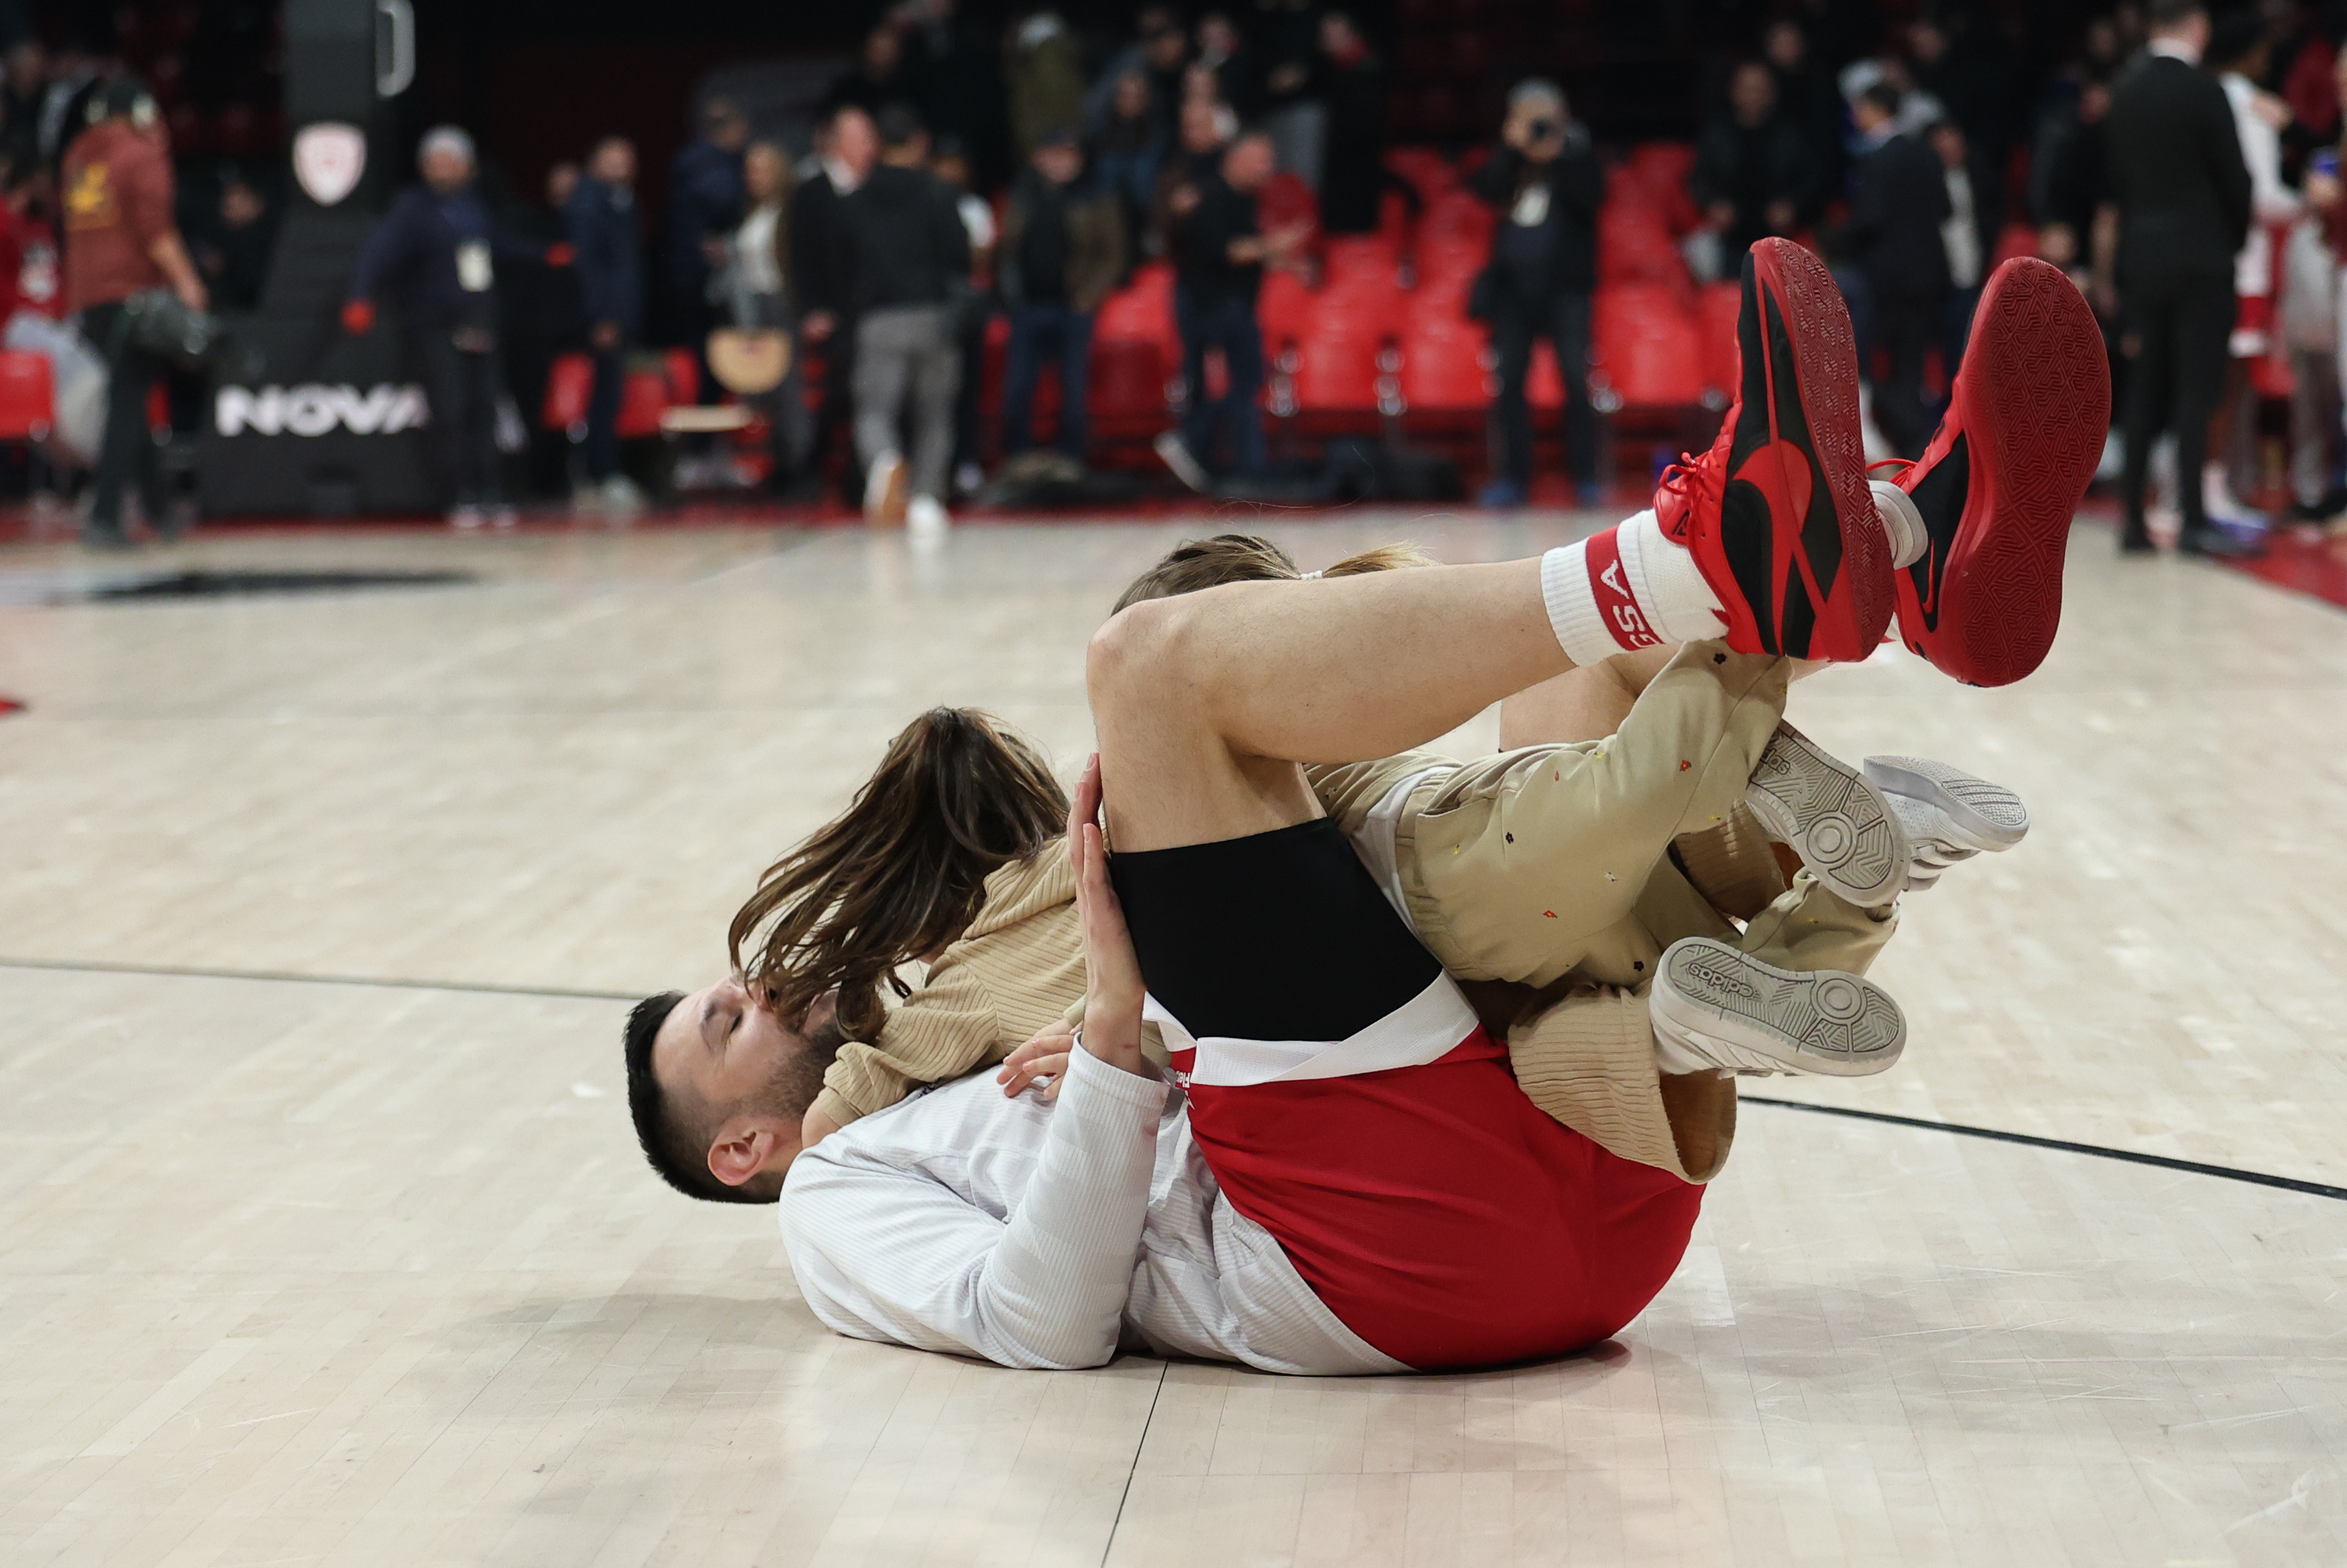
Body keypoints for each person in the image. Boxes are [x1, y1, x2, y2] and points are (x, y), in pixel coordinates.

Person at [626, 241, 2107, 1375]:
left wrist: (1118, 1040)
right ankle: (1715, 568)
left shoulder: (935, 1026)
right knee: (1147, 666)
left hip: (1590, 1154)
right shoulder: (833, 1198)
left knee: (1560, 713)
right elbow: (1036, 1322)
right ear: (738, 1151)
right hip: (1387, 1251)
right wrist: (1113, 1042)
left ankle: (1899, 541)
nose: (762, 986)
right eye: (726, 1023)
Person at [2104, 0, 2257, 557]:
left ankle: (2132, 521)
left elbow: (2114, 188)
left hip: (2142, 257)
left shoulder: (2124, 89)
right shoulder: (2204, 90)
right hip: (2200, 255)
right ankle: (2191, 516)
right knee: (2197, 388)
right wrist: (2230, 241)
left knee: (2144, 384)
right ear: (2197, 26)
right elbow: (2235, 180)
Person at [346, 126, 557, 529]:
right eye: (437, 163)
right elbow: (379, 252)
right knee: (451, 410)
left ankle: (493, 491)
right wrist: (361, 295)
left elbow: (497, 247)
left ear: (468, 167)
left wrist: (543, 256)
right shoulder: (412, 209)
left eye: (452, 162)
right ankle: (462, 494)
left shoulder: (474, 207)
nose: (445, 170)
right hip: (438, 325)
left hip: (482, 323)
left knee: (486, 410)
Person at [61, 73, 202, 549]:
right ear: (142, 112)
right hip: (132, 295)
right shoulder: (141, 154)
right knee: (126, 402)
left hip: (88, 296)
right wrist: (188, 283)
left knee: (130, 398)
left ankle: (160, 511)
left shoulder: (78, 154)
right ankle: (104, 517)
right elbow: (156, 231)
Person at [1468, 79, 1605, 508]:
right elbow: (1484, 190)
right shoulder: (1511, 159)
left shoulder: (1579, 154)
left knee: (1574, 380)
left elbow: (1592, 199)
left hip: (1567, 289)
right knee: (1509, 382)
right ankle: (1514, 478)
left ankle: (1585, 477)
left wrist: (1557, 157)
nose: (1539, 127)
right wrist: (1513, 150)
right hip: (1513, 289)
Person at [841, 104, 969, 533]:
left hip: (879, 320)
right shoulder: (938, 193)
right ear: (920, 142)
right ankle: (927, 500)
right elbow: (959, 256)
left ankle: (885, 460)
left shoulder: (856, 199)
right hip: (933, 317)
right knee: (935, 414)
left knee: (874, 412)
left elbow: (845, 262)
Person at [1154, 128, 1301, 491]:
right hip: (1210, 308)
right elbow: (1228, 250)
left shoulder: (1245, 199)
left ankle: (1242, 466)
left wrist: (1281, 259)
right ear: (1237, 159)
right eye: (1261, 159)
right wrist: (1273, 245)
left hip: (1235, 306)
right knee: (1220, 387)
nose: (1268, 166)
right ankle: (1196, 448)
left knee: (1244, 386)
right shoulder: (1211, 197)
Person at [2205, 15, 2300, 536]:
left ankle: (2213, 484)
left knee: (2218, 379)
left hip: (2217, 258)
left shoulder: (2204, 97)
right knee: (2228, 380)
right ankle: (2211, 489)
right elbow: (2262, 198)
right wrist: (2311, 204)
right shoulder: (2251, 106)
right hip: (2244, 265)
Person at [999, 126, 1125, 463]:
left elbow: (1113, 254)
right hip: (1029, 305)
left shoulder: (1095, 196)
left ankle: (1072, 459)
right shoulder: (1023, 195)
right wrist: (1009, 291)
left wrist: (1090, 295)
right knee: (1019, 387)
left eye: (1069, 155)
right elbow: (1008, 250)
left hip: (1072, 305)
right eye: (1055, 155)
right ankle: (1019, 458)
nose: (1062, 163)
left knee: (1073, 388)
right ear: (1039, 158)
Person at [1845, 82, 1951, 460]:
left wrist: (1839, 238)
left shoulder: (1876, 159)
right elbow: (1945, 209)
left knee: (1878, 369)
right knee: (1912, 366)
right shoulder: (1926, 154)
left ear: (1875, 109)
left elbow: (1870, 218)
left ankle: (1909, 441)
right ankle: (1918, 449)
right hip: (1927, 276)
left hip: (1887, 281)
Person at [790, 107, 876, 508]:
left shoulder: (876, 187)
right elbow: (800, 256)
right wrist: (811, 309)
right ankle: (816, 462)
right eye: (860, 138)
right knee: (842, 391)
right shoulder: (812, 193)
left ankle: (856, 474)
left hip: (871, 310)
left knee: (867, 392)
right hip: (832, 313)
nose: (869, 147)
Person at [724, 139, 812, 497]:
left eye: (761, 170)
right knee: (765, 391)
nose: (753, 177)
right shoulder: (752, 211)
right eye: (749, 170)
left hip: (782, 304)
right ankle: (776, 464)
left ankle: (800, 467)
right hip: (754, 308)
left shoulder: (791, 212)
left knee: (789, 388)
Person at [563, 136, 645, 517]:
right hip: (603, 319)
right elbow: (589, 266)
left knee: (613, 395)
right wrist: (601, 317)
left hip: (621, 315)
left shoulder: (622, 201)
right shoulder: (589, 203)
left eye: (626, 160)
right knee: (602, 396)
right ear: (594, 162)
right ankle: (599, 472)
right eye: (612, 160)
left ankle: (604, 470)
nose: (621, 167)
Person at [1689, 60, 1821, 269]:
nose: (1752, 96)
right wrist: (1713, 205)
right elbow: (1699, 178)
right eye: (1746, 89)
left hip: (1778, 233)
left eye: (1759, 90)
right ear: (1734, 92)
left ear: (1772, 94)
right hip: (1730, 232)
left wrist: (1792, 206)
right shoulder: (1717, 133)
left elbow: (1810, 178)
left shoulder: (1790, 134)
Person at [665, 97, 748, 399]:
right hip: (707, 280)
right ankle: (710, 419)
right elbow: (726, 207)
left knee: (703, 351)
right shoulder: (715, 168)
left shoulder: (689, 162)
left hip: (686, 274)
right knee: (717, 355)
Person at [1929, 117, 2001, 380]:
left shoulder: (1980, 175)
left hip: (1976, 267)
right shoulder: (1927, 182)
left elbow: (1993, 216)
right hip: (1940, 273)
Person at [1310, 11, 1387, 237]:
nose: (1326, 39)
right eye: (1324, 34)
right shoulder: (1328, 68)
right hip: (1338, 165)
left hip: (1358, 166)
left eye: (1332, 34)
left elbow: (1363, 123)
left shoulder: (1368, 68)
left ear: (1350, 34)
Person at [1088, 68, 1165, 262]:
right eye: (1125, 95)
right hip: (1108, 225)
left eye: (1137, 96)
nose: (1131, 102)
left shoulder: (1160, 137)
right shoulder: (1098, 136)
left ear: (1147, 99)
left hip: (1145, 222)